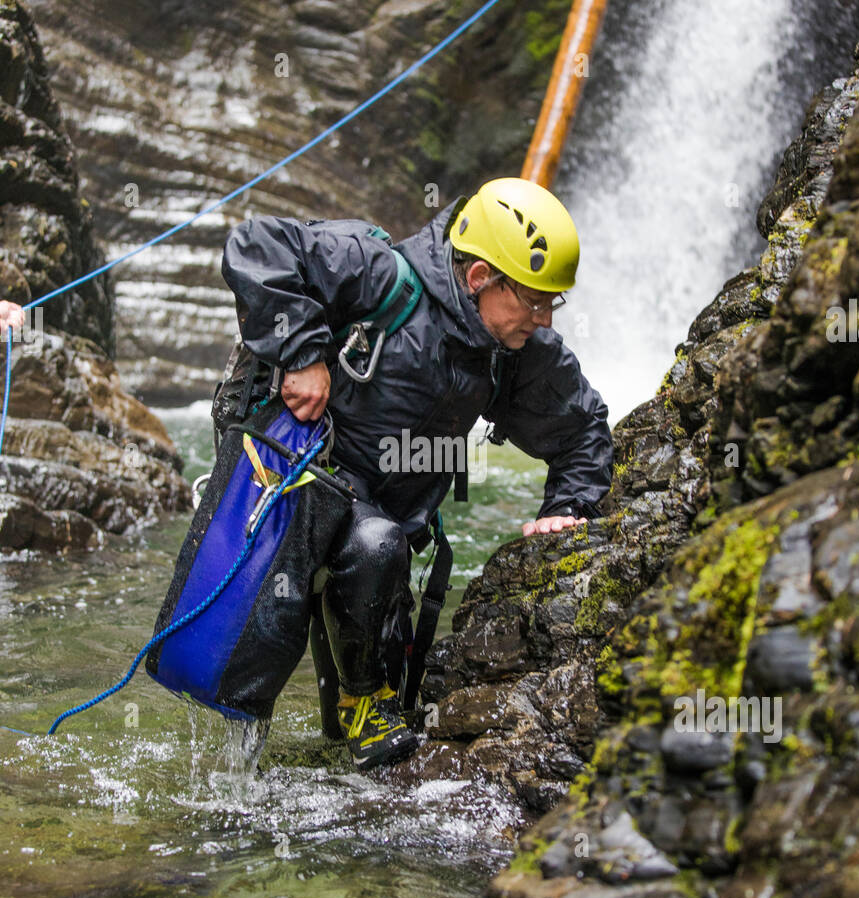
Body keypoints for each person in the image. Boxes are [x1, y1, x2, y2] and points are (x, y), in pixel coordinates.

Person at [216, 176, 613, 771]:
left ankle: (351, 760)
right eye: (533, 299)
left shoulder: (513, 351)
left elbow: (583, 427)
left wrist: (570, 508)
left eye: (553, 301)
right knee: (375, 547)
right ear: (479, 278)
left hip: (383, 549)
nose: (545, 316)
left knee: (370, 750)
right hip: (300, 499)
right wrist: (301, 353)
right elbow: (254, 245)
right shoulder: (376, 273)